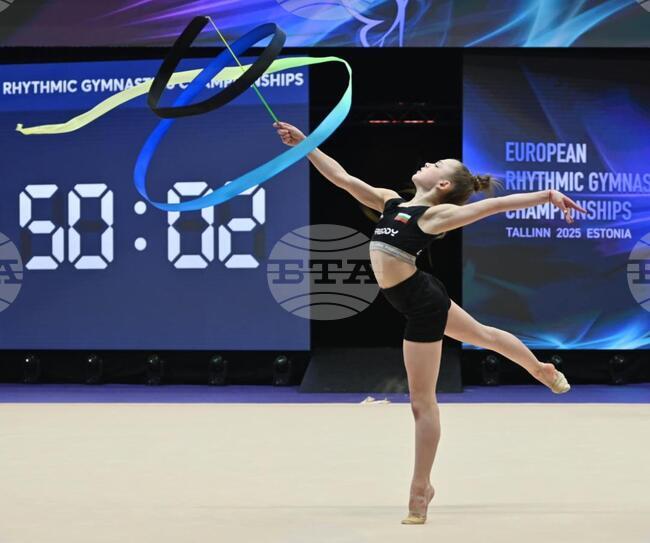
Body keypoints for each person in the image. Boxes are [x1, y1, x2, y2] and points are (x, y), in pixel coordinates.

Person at [274, 121, 587, 524]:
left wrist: (547, 195)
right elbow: (342, 178)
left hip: (422, 306)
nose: (427, 162)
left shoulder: (437, 215)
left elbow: (493, 206)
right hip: (419, 294)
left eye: (436, 164)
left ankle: (420, 489)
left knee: (422, 403)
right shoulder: (390, 202)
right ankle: (540, 368)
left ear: (442, 185)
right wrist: (305, 144)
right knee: (484, 335)